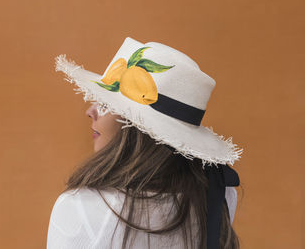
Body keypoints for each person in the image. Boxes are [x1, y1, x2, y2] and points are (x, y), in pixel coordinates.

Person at [47, 37, 244, 249]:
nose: (90, 112)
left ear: (137, 129)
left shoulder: (83, 207)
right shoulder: (218, 193)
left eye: (105, 103)